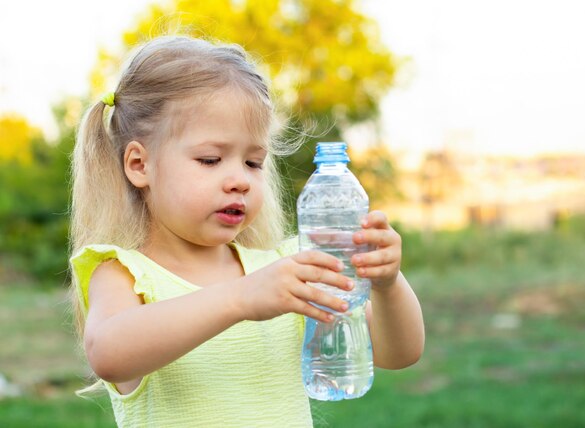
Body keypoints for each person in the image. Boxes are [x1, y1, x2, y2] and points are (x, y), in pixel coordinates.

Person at [69, 35, 424, 427]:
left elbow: (399, 353)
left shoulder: (284, 269)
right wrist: (241, 298)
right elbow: (108, 354)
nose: (239, 179)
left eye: (254, 162)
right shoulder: (125, 274)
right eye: (211, 159)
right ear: (140, 165)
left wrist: (387, 284)